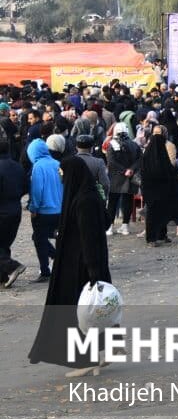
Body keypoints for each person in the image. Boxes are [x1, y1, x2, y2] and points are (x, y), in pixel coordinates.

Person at [27, 155, 112, 375]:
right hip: (88, 265)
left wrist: (92, 270)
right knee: (94, 312)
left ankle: (86, 360)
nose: (60, 175)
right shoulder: (88, 195)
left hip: (80, 266)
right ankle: (101, 353)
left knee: (81, 313)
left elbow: (88, 237)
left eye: (62, 172)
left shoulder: (83, 200)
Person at [27, 134, 64, 280]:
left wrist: (33, 208)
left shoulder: (38, 167)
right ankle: (58, 258)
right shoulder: (57, 163)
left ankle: (45, 270)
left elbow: (37, 190)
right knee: (44, 237)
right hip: (59, 209)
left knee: (39, 238)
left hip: (44, 211)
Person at [141, 125, 178, 246]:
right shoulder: (160, 155)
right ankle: (152, 238)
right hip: (157, 189)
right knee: (156, 213)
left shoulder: (147, 154)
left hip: (152, 189)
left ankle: (161, 235)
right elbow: (169, 169)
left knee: (159, 212)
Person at [104, 123, 140, 237]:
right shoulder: (134, 144)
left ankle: (109, 227)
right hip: (130, 177)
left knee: (112, 203)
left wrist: (124, 170)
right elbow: (140, 159)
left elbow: (111, 162)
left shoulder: (111, 144)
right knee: (128, 201)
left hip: (115, 177)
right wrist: (130, 169)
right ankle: (125, 226)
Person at [0, 138, 27, 285]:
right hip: (15, 209)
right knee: (4, 244)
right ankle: (3, 276)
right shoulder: (17, 167)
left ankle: (13, 267)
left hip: (2, 210)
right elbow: (25, 187)